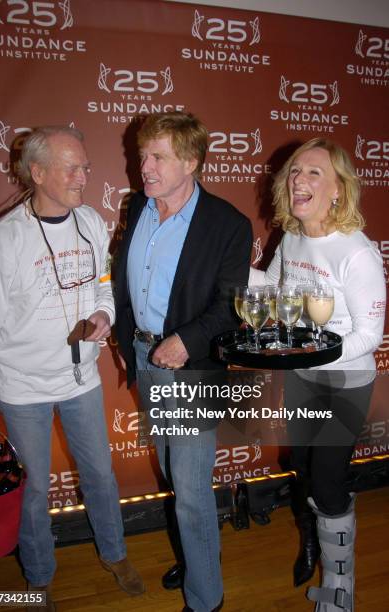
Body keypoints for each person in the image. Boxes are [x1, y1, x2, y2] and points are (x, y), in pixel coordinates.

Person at [0, 126, 144, 611]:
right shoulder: (3, 239)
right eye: (71, 167)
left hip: (81, 380)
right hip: (22, 386)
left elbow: (102, 286)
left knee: (100, 475)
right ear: (37, 173)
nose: (84, 176)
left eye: (85, 166)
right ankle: (37, 579)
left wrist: (105, 315)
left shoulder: (91, 222)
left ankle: (114, 554)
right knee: (33, 493)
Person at [114, 111, 253, 612]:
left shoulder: (228, 224)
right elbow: (128, 279)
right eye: (141, 156)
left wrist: (185, 341)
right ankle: (197, 558)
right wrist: (125, 336)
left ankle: (206, 599)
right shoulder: (138, 207)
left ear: (191, 162)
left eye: (157, 157)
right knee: (175, 473)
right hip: (144, 358)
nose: (143, 166)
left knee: (192, 491)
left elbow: (233, 305)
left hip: (189, 367)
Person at [249, 137, 386, 611]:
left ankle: (340, 590)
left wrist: (306, 356)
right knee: (305, 472)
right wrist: (226, 269)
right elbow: (273, 287)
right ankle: (316, 548)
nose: (299, 180)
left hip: (345, 381)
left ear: (337, 190)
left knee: (328, 482)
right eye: (294, 172)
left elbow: (370, 336)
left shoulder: (357, 253)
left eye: (313, 173)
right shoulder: (292, 237)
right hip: (305, 377)